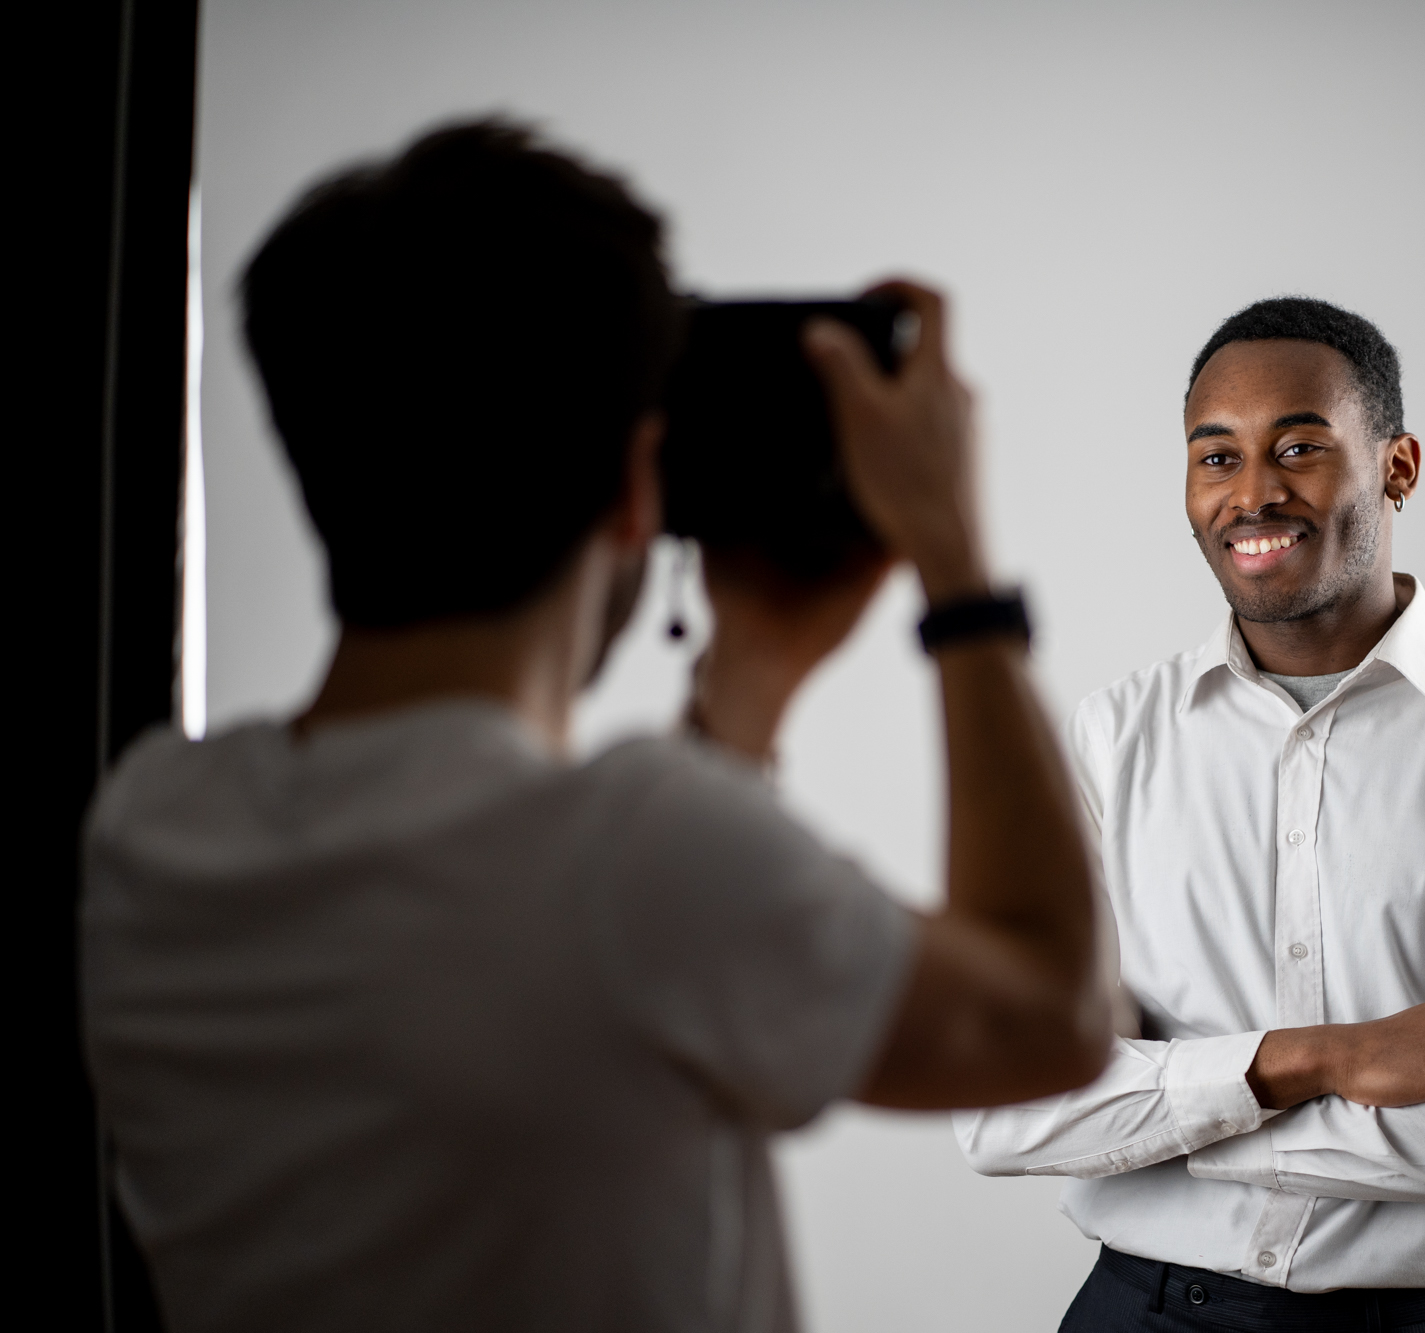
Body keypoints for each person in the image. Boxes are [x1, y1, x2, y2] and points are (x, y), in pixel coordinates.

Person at [81, 121, 1110, 1333]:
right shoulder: (636, 854)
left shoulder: (151, 830)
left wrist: (748, 682)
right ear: (636, 485)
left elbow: (576, 964)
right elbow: (1054, 1016)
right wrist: (956, 565)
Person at [956, 298, 1425, 1331]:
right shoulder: (1109, 740)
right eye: (1216, 457)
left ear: (1398, 466)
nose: (1253, 493)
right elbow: (1004, 1109)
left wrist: (1159, 1121)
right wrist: (1318, 1056)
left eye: (1300, 447)